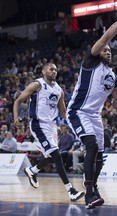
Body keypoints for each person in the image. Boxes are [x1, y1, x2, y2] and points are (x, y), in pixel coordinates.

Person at [66, 4, 117, 209]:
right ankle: (88, 191)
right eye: (104, 49)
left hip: (95, 117)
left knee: (99, 154)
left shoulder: (113, 76)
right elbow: (106, 37)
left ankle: (94, 188)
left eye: (109, 51)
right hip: (78, 111)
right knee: (90, 146)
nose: (107, 52)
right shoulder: (91, 61)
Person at [13, 63, 84, 202]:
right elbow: (18, 100)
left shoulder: (59, 90)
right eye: (51, 69)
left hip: (52, 126)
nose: (54, 71)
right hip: (38, 124)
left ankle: (32, 170)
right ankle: (71, 191)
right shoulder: (36, 85)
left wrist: (75, 121)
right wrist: (16, 118)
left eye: (56, 70)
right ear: (43, 71)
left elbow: (63, 112)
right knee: (56, 155)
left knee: (52, 157)